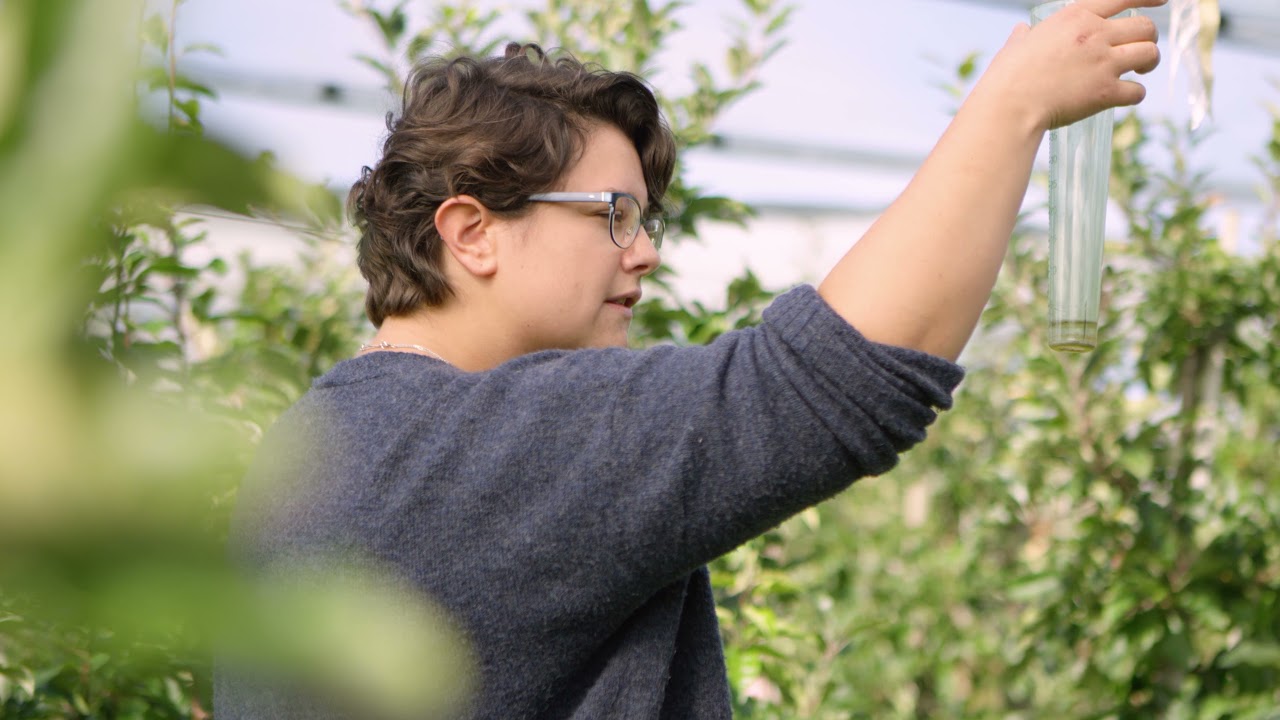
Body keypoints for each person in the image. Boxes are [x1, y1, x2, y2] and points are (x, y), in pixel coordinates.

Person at [216, 0, 1163, 716]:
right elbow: (837, 380)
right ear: (471, 232)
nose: (646, 250)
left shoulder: (319, 450)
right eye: (613, 215)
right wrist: (1015, 102)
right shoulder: (484, 444)